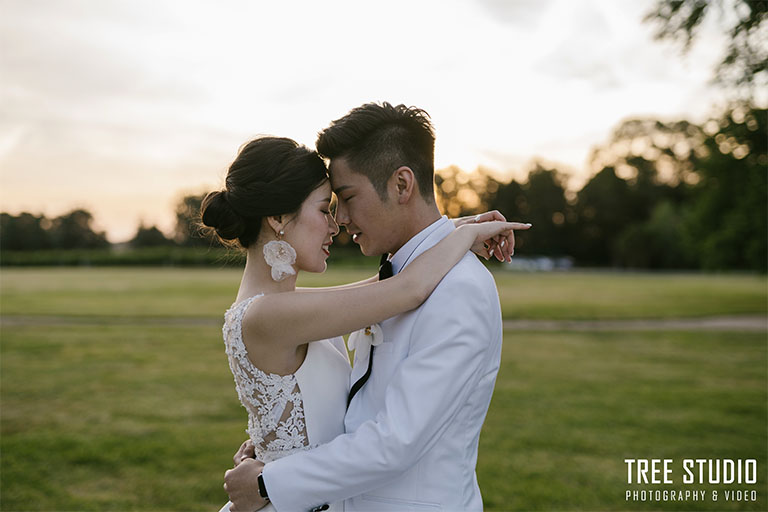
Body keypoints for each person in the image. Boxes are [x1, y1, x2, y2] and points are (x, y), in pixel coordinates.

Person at [223, 103, 531, 512]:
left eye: (345, 198)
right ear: (278, 218)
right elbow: (403, 288)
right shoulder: (281, 311)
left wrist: (269, 480)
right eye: (327, 207)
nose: (340, 221)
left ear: (402, 185)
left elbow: (396, 441)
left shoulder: (459, 289)